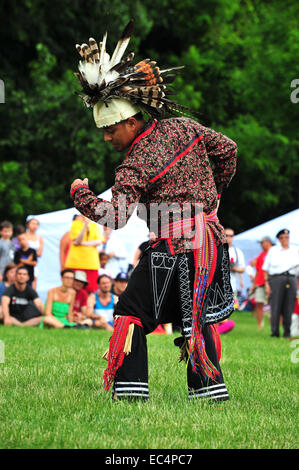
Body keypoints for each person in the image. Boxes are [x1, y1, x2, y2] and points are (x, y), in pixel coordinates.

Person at [70, 20, 237, 401]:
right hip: (209, 241)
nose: (108, 137)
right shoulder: (184, 128)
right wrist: (213, 198)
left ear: (131, 120)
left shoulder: (136, 162)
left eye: (111, 130)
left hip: (173, 247)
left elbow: (115, 217)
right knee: (196, 315)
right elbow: (228, 150)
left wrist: (81, 195)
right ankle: (210, 393)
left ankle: (130, 393)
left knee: (130, 312)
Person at [263, 229, 299, 338]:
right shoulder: (273, 250)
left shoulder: (295, 250)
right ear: (279, 239)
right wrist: (266, 284)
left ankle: (287, 332)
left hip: (292, 278)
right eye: (282, 238)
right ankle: (275, 332)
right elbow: (265, 269)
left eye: (286, 237)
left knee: (289, 306)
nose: (285, 240)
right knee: (276, 305)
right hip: (277, 278)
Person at [64, 215, 105, 293]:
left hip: (91, 264)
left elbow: (99, 241)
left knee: (91, 289)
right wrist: (85, 225)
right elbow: (77, 240)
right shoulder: (75, 224)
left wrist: (82, 243)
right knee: (72, 289)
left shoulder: (94, 225)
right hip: (76, 262)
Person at [250, 236, 273, 329]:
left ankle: (274, 325)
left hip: (271, 282)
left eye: (262, 243)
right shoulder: (261, 254)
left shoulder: (274, 253)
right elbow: (258, 270)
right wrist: (254, 284)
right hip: (260, 282)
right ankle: (260, 325)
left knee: (273, 305)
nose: (261, 245)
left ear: (268, 242)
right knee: (259, 303)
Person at [224, 228, 246, 299]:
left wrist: (233, 268)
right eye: (226, 235)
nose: (229, 238)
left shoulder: (238, 252)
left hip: (232, 283)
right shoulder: (217, 250)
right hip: (217, 283)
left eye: (231, 236)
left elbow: (242, 269)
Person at [26, 217, 44, 290]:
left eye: (36, 224)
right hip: (24, 263)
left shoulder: (39, 238)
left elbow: (40, 254)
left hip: (34, 264)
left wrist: (30, 254)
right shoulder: (24, 236)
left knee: (33, 283)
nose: (34, 226)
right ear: (28, 225)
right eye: (33, 223)